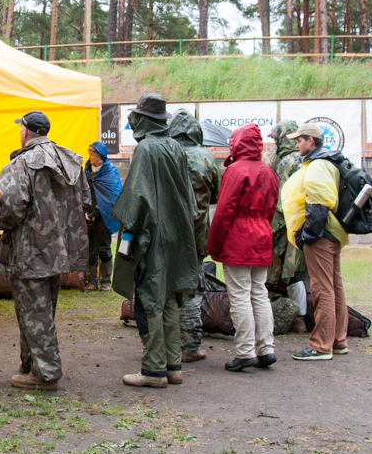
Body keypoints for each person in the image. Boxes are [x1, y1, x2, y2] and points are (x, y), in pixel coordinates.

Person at [0, 110, 91, 391]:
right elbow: (86, 201)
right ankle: (31, 364)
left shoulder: (21, 163)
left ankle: (45, 373)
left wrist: (0, 219)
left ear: (25, 131)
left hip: (30, 250)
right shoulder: (70, 160)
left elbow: (10, 207)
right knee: (41, 310)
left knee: (34, 312)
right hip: (60, 250)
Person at [111, 94, 198, 388]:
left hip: (153, 236)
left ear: (143, 120)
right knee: (171, 296)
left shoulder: (146, 149)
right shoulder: (175, 147)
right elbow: (188, 197)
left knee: (150, 299)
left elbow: (137, 197)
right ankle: (173, 366)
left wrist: (127, 238)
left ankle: (153, 370)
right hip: (178, 235)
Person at [206, 124, 281, 371]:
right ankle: (266, 348)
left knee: (239, 295)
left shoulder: (235, 171)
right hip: (261, 237)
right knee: (259, 293)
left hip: (238, 238)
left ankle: (245, 352)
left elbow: (224, 210)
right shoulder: (269, 172)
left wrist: (214, 244)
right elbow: (270, 210)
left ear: (237, 144)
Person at [280, 123, 350, 361]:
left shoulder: (318, 165)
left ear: (311, 141)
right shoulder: (330, 162)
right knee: (334, 286)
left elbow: (318, 203)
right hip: (332, 233)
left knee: (322, 288)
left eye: (299, 140)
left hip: (320, 235)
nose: (296, 143)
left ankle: (321, 345)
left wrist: (307, 236)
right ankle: (338, 340)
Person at [167, 109, 222, 363]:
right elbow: (216, 197)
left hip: (166, 233)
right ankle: (191, 345)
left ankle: (166, 343)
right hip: (197, 235)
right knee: (193, 288)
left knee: (165, 287)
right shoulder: (207, 159)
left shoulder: (165, 153)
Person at [264, 120, 306, 290]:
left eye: (276, 141)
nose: (275, 145)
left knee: (287, 273)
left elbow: (281, 204)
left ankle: (295, 313)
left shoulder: (287, 162)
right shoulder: (309, 158)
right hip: (310, 225)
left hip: (289, 226)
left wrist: (273, 230)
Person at [84, 141, 122, 291]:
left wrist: (99, 211)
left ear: (100, 156)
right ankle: (91, 281)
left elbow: (113, 195)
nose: (90, 157)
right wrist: (87, 211)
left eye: (93, 155)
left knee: (104, 248)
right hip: (89, 215)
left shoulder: (110, 171)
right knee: (90, 249)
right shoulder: (86, 170)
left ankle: (105, 280)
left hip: (104, 215)